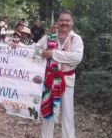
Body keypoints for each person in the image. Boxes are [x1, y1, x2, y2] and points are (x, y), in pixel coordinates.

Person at [37, 9, 84, 138]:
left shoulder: (76, 39)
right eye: (62, 20)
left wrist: (53, 53)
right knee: (48, 113)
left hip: (67, 80)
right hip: (50, 79)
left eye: (67, 20)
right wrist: (18, 47)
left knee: (67, 114)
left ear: (72, 22)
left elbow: (77, 57)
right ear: (58, 21)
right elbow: (34, 49)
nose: (64, 23)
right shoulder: (49, 37)